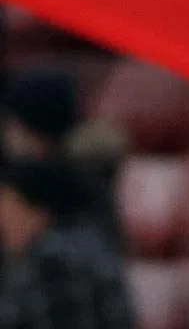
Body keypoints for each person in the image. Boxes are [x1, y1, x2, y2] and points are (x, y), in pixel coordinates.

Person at [0, 158, 135, 329]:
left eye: (7, 210)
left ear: (38, 212)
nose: (3, 223)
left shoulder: (56, 263)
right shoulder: (84, 245)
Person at [1, 69, 125, 251]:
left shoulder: (67, 187)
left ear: (34, 130)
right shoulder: (89, 178)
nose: (7, 133)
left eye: (14, 124)